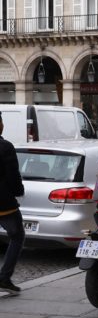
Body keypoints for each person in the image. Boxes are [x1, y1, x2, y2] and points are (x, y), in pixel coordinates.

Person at [0, 111, 25, 294]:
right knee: (17, 236)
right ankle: (4, 277)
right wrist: (18, 192)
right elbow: (12, 175)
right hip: (3, 203)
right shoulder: (5, 147)